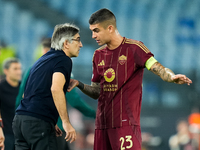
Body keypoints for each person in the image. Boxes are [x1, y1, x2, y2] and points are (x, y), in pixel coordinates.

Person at [68, 8, 192, 150]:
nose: (92, 35)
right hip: (102, 125)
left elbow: (157, 67)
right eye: (91, 31)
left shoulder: (135, 49)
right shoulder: (98, 55)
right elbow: (96, 91)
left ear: (110, 28)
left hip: (125, 124)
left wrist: (171, 77)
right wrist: (79, 84)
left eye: (96, 30)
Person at [15, 37, 96, 150]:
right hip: (52, 125)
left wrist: (18, 120)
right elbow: (75, 100)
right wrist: (95, 114)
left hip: (24, 121)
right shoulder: (61, 69)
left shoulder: (31, 69)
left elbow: (21, 97)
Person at [0, 58, 22, 150]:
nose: (19, 72)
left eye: (20, 68)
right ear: (6, 71)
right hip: (7, 134)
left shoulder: (24, 87)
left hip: (23, 134)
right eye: (15, 69)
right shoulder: (1, 88)